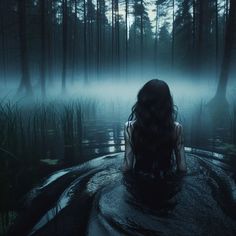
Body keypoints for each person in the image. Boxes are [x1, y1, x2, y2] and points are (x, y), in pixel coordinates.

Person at [123, 79, 187, 179]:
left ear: (143, 99)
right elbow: (182, 168)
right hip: (166, 181)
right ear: (167, 102)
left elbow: (127, 166)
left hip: (140, 181)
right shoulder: (176, 128)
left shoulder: (130, 127)